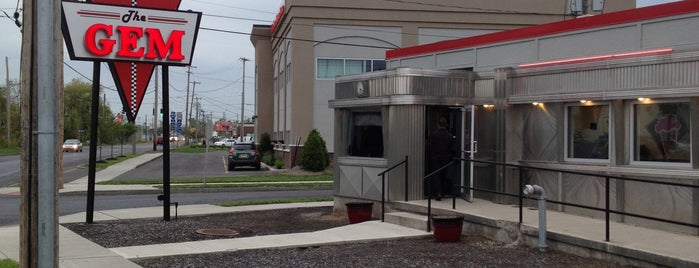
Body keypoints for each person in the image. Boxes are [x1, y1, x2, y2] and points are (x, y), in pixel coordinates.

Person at [429, 117, 454, 201]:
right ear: (446, 124)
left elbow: (431, 146)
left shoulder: (434, 134)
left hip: (436, 158)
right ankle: (443, 192)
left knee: (436, 176)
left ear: (438, 124)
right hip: (446, 159)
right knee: (443, 175)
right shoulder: (450, 136)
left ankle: (438, 193)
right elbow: (451, 147)